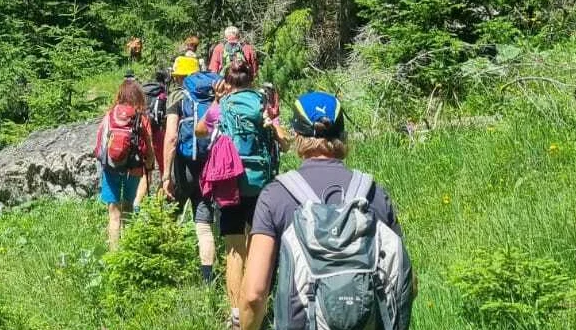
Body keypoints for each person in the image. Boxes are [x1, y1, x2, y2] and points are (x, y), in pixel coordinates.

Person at [239, 92, 415, 330]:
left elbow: (254, 294)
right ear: (342, 135)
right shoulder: (373, 194)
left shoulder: (276, 196)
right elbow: (407, 281)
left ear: (297, 135)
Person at [197, 60, 277, 329]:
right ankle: (257, 308)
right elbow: (281, 138)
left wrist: (216, 100)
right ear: (252, 79)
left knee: (234, 249)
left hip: (229, 182)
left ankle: (235, 313)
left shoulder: (222, 105)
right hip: (259, 182)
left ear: (227, 82)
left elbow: (200, 131)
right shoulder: (262, 102)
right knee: (257, 246)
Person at [162, 55, 219, 284]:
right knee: (204, 225)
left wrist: (166, 176)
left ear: (179, 76)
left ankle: (166, 271)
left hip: (183, 167)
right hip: (209, 167)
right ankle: (207, 281)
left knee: (169, 216)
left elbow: (171, 137)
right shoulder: (214, 95)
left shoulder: (177, 96)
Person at [94, 78, 156, 250]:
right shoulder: (141, 117)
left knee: (113, 213)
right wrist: (149, 163)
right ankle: (128, 252)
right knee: (128, 209)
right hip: (134, 168)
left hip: (111, 167)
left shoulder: (110, 115)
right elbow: (149, 145)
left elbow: (99, 146)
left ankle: (114, 254)